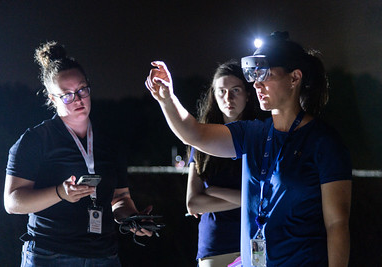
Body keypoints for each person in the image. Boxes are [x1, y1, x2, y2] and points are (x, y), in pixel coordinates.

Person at [145, 32, 352, 267]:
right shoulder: (253, 133)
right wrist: (167, 98)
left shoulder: (324, 142)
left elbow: (337, 224)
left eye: (266, 74)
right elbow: (195, 134)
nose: (256, 83)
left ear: (294, 78)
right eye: (254, 75)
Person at [4, 41, 152, 267]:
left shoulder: (109, 143)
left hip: (104, 256)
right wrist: (60, 193)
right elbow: (12, 202)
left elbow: (120, 198)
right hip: (49, 255)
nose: (78, 99)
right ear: (52, 99)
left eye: (82, 89)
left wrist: (132, 219)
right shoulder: (35, 140)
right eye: (67, 95)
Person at [186, 60, 258, 267]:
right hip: (215, 244)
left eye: (235, 90)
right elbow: (193, 203)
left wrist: (215, 190)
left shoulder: (260, 138)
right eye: (222, 91)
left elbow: (268, 197)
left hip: (255, 241)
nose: (229, 98)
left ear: (247, 93)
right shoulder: (201, 143)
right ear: (214, 95)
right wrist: (248, 200)